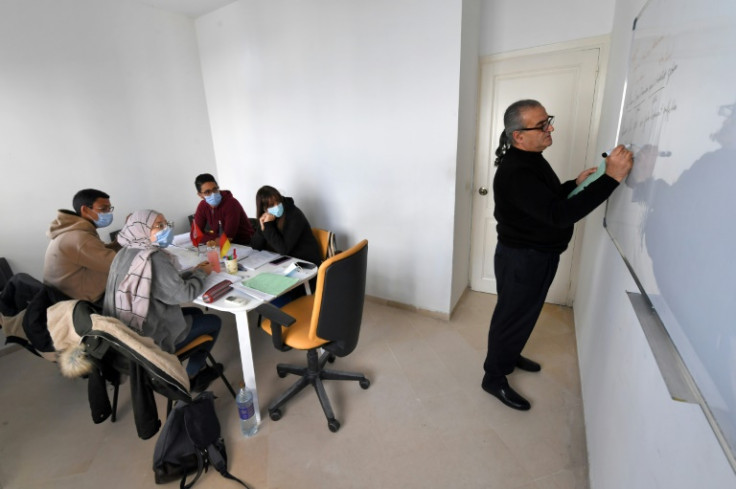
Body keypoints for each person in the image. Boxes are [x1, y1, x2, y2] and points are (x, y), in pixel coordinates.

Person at [482, 99, 633, 411]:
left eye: (547, 120)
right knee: (511, 317)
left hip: (535, 255)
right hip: (523, 259)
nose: (550, 128)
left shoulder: (532, 158)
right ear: (519, 136)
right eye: (541, 125)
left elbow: (545, 201)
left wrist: (572, 185)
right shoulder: (516, 172)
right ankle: (493, 377)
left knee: (524, 312)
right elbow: (558, 215)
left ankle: (509, 355)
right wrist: (610, 179)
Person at [103, 209, 222, 392]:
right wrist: (201, 273)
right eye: (159, 226)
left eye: (166, 224)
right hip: (150, 342)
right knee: (214, 321)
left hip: (124, 336)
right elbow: (185, 294)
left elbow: (159, 284)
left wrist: (192, 273)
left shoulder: (123, 253)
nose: (165, 229)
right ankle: (190, 376)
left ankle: (197, 365)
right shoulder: (153, 258)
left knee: (196, 312)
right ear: (141, 230)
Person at [43, 188, 121, 304]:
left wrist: (123, 239)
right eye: (103, 209)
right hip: (84, 303)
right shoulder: (80, 238)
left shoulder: (73, 231)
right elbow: (118, 265)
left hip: (67, 296)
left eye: (110, 209)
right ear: (85, 210)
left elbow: (101, 251)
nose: (109, 213)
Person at [250, 185, 321, 265]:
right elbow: (255, 246)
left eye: (278, 202)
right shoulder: (269, 217)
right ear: (264, 209)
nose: (277, 206)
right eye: (272, 205)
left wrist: (268, 225)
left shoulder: (294, 215)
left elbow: (284, 249)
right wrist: (262, 226)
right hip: (285, 261)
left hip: (305, 263)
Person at [190, 173, 254, 246]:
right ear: (200, 195)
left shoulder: (231, 203)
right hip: (224, 246)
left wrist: (209, 238)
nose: (213, 194)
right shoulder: (203, 206)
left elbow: (228, 237)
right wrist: (214, 239)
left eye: (215, 189)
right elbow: (194, 235)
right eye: (207, 192)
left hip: (245, 244)